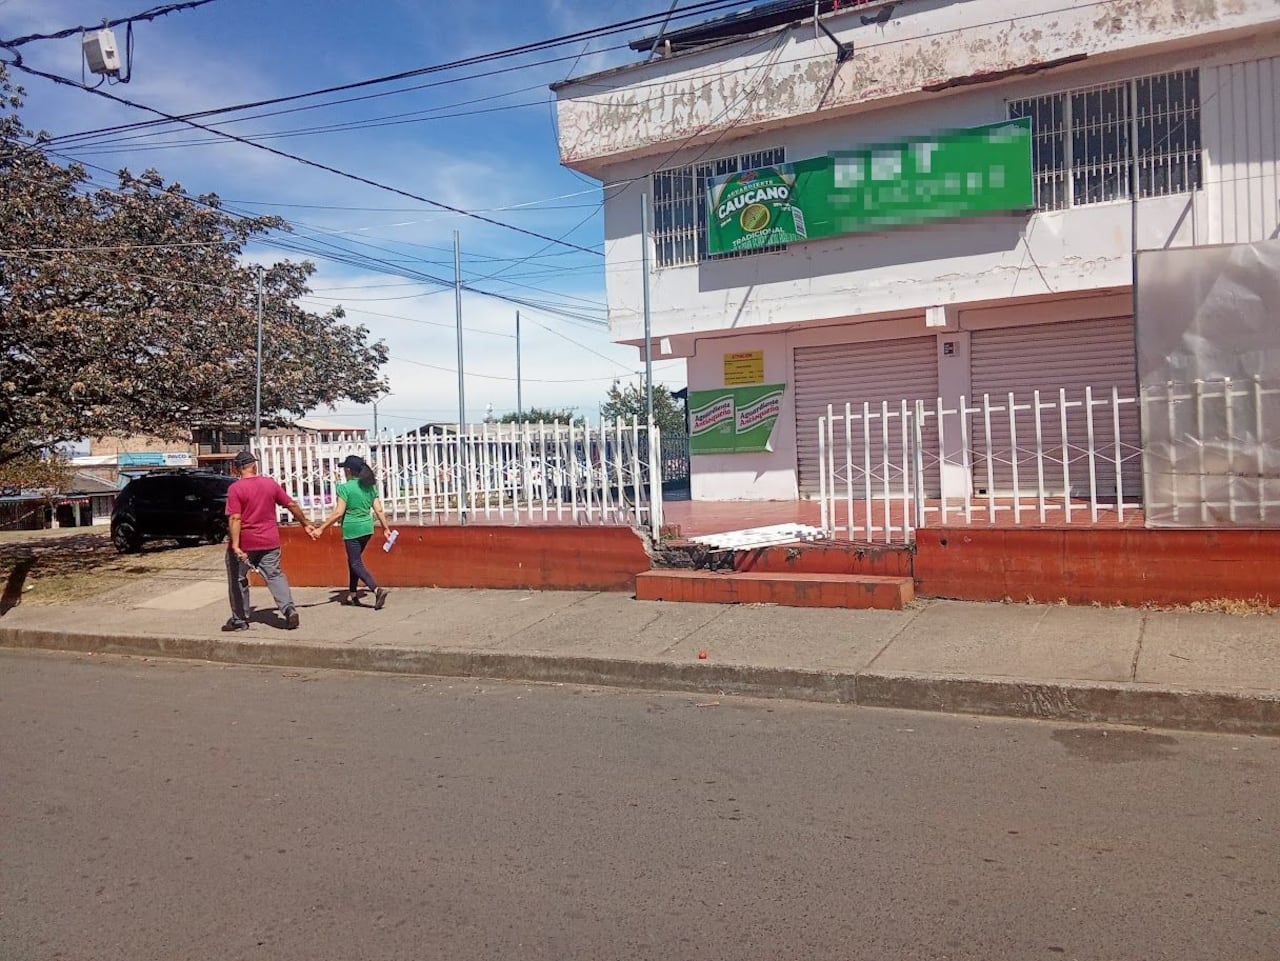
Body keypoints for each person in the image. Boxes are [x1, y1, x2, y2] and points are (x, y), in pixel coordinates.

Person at [223, 449, 316, 632]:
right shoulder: (269, 484)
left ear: (236, 469)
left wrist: (234, 545)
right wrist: (305, 523)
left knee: (238, 578)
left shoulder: (236, 489)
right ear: (254, 466)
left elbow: (235, 518)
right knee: (274, 575)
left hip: (245, 543)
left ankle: (240, 619)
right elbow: (291, 504)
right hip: (270, 540)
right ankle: (288, 609)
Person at [313, 454, 391, 609]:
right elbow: (379, 509)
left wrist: (321, 528)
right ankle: (353, 594)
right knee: (353, 561)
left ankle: (376, 589)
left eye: (344, 469)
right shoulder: (369, 487)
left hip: (352, 529)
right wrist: (386, 528)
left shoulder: (345, 488)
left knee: (355, 562)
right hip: (367, 529)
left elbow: (338, 513)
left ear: (348, 470)